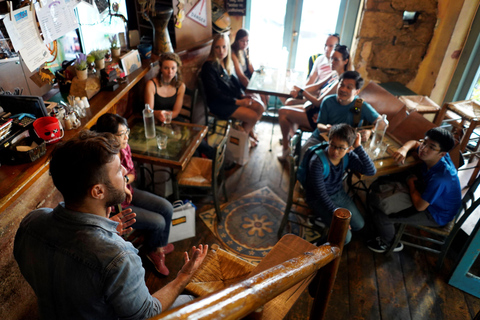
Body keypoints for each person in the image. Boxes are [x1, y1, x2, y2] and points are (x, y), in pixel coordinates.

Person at [13, 130, 208, 319]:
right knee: (193, 299)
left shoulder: (31, 222)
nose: (124, 170)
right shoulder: (119, 257)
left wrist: (104, 233)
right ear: (98, 191)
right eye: (117, 169)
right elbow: (148, 314)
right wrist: (184, 275)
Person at [92, 113, 174, 276]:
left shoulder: (124, 147)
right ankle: (153, 252)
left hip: (128, 192)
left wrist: (123, 182)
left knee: (167, 207)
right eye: (122, 134)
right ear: (108, 137)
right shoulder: (102, 158)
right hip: (116, 204)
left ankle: (158, 245)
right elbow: (107, 191)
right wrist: (123, 185)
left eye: (126, 131)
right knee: (158, 222)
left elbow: (132, 174)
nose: (126, 137)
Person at [367, 127, 462, 253]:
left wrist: (411, 183)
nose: (423, 149)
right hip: (426, 194)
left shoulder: (441, 178)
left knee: (381, 216)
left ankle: (388, 242)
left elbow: (420, 206)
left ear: (442, 154)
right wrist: (403, 149)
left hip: (435, 213)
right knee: (380, 185)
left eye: (431, 147)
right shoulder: (437, 156)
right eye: (424, 143)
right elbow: (414, 143)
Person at [304, 124, 376, 244]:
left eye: (341, 148)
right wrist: (337, 213)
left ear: (349, 148)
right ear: (329, 141)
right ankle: (320, 244)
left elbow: (370, 171)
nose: (335, 151)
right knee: (345, 238)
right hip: (318, 199)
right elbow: (321, 194)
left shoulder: (348, 156)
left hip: (338, 193)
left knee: (359, 224)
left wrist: (358, 147)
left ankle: (323, 220)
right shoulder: (317, 162)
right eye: (332, 145)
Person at [277, 44, 351, 160]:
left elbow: (318, 102)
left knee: (282, 112)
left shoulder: (341, 82)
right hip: (315, 108)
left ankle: (286, 148)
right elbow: (317, 86)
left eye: (336, 59)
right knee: (289, 102)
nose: (332, 62)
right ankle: (292, 140)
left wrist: (302, 91)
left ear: (345, 61)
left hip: (320, 115)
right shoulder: (334, 74)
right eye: (331, 58)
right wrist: (298, 89)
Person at [300, 70, 382, 159]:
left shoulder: (360, 105)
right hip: (321, 138)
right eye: (341, 85)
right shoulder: (328, 101)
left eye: (349, 87)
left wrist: (370, 131)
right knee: (305, 154)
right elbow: (320, 125)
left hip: (343, 146)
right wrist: (327, 128)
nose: (343, 89)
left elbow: (381, 122)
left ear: (357, 91)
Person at [201, 33, 265, 139]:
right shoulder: (208, 66)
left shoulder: (225, 62)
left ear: (227, 48)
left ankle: (242, 134)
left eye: (224, 47)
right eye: (217, 47)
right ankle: (240, 139)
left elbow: (235, 83)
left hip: (230, 99)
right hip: (219, 103)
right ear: (213, 49)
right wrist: (239, 102)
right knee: (253, 116)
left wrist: (242, 95)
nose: (221, 51)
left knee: (260, 107)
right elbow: (215, 94)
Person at [285, 33, 341, 106]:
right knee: (289, 101)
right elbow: (312, 82)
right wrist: (299, 91)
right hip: (316, 92)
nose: (326, 49)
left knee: (288, 104)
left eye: (330, 46)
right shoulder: (319, 60)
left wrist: (302, 91)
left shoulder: (338, 67)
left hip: (325, 97)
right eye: (325, 45)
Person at [145, 52, 186, 123]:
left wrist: (165, 119)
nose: (170, 72)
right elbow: (149, 110)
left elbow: (176, 111)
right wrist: (158, 114)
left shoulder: (181, 86)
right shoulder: (151, 84)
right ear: (161, 69)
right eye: (166, 68)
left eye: (173, 68)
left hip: (172, 119)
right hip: (154, 119)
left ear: (177, 69)